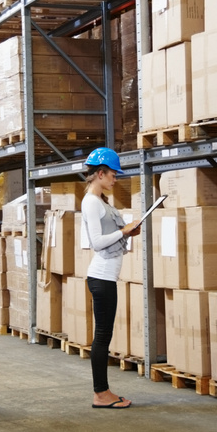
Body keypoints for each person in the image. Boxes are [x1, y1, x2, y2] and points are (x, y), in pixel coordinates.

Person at [80, 147, 142, 409]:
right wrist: (123, 232)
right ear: (100, 173)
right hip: (101, 277)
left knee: (104, 334)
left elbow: (113, 233)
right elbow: (97, 242)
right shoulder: (91, 202)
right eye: (113, 174)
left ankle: (102, 391)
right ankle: (100, 393)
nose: (116, 179)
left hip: (106, 277)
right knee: (102, 335)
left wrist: (128, 232)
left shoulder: (101, 200)